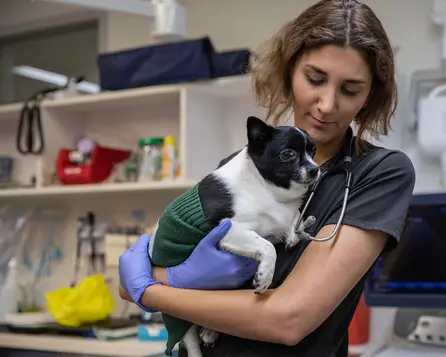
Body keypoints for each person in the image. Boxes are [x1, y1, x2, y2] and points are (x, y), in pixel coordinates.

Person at [118, 0, 416, 356]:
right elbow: (154, 264)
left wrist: (150, 288)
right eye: (315, 79)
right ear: (290, 72)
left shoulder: (380, 174)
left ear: (369, 96)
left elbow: (288, 319)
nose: (326, 104)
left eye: (350, 90)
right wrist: (172, 279)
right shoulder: (244, 166)